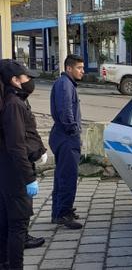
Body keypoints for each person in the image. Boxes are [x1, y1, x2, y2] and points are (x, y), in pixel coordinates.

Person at [0, 59, 46, 270]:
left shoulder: (13, 101)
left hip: (9, 173)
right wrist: (29, 178)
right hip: (16, 175)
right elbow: (17, 146)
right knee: (18, 226)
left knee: (7, 222)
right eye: (26, 77)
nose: (29, 81)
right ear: (15, 80)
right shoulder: (13, 105)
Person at [49, 54, 84, 229]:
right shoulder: (65, 85)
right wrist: (73, 131)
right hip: (66, 136)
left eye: (83, 68)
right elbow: (65, 111)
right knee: (68, 177)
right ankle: (63, 213)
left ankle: (58, 212)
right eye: (79, 68)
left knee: (61, 176)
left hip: (63, 136)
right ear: (69, 68)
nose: (82, 71)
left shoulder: (66, 84)